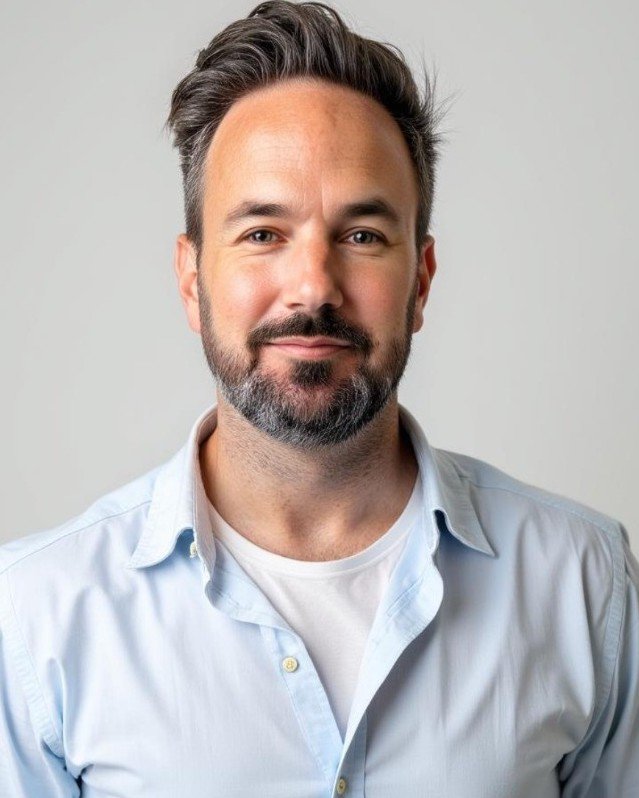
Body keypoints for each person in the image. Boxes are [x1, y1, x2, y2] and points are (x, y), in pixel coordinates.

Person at [1, 1, 637, 795]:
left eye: (361, 235)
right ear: (192, 280)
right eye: (262, 234)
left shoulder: (582, 580)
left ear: (420, 281)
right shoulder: (38, 614)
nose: (313, 287)